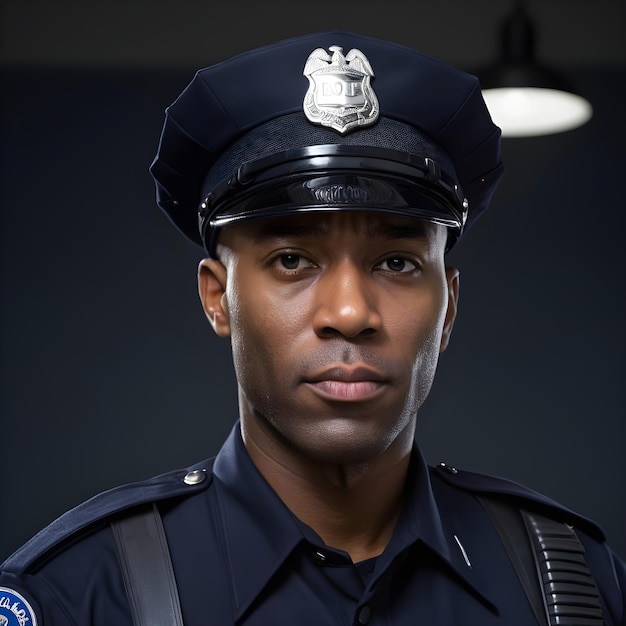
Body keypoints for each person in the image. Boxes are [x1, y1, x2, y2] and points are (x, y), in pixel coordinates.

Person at [1, 29, 623, 626]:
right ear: (218, 298)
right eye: (292, 260)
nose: (350, 314)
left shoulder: (570, 585)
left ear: (449, 307)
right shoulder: (80, 595)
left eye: (397, 262)